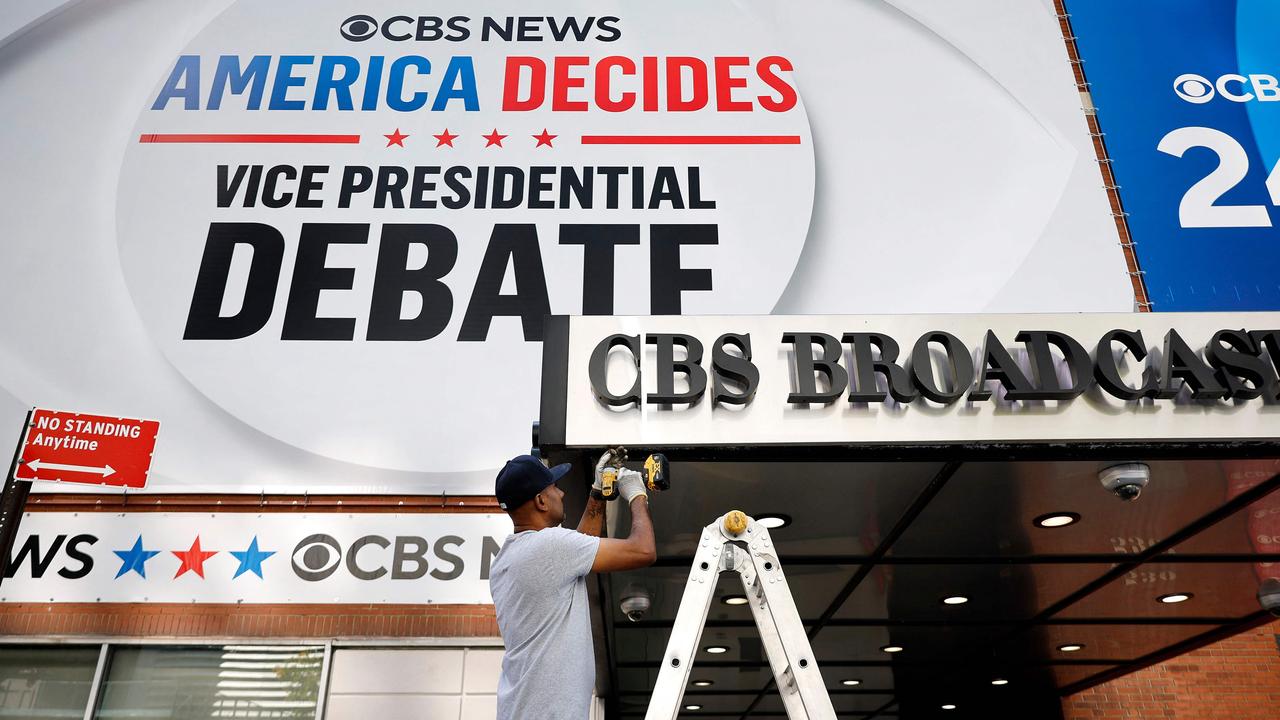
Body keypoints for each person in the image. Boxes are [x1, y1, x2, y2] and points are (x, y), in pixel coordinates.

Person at [489, 454, 656, 720]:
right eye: (554, 487)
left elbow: (577, 551)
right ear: (541, 501)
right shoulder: (549, 546)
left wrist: (598, 493)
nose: (562, 493)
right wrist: (637, 494)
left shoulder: (506, 560)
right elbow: (643, 550)